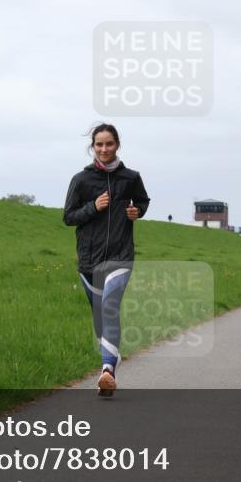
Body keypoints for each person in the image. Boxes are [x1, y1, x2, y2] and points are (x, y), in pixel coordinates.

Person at [63, 124, 150, 397]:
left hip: (120, 256)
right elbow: (69, 217)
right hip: (89, 260)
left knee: (109, 307)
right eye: (99, 145)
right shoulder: (81, 180)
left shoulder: (131, 177)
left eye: (109, 144)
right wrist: (93, 207)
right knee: (100, 318)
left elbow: (143, 202)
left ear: (117, 145)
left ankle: (107, 370)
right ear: (93, 147)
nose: (104, 149)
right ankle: (110, 363)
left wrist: (137, 211)